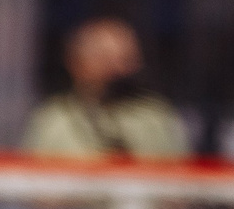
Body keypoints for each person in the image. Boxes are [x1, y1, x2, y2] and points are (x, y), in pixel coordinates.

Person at [22, 16, 190, 160]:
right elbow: (34, 186)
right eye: (104, 58)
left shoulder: (155, 116)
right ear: (75, 62)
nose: (116, 70)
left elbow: (181, 186)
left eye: (125, 59)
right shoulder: (53, 119)